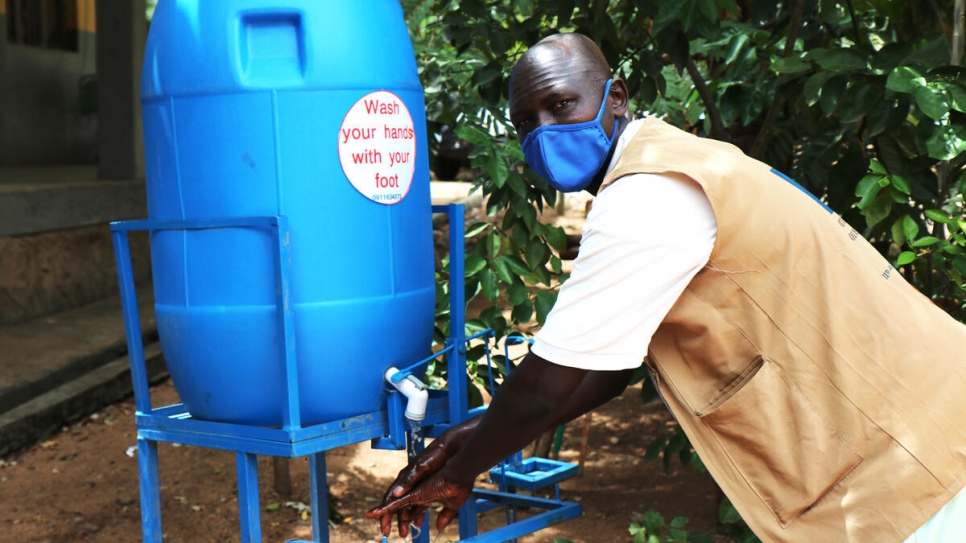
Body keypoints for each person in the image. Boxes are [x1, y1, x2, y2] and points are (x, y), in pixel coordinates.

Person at [366, 33, 966, 542]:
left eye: (561, 104)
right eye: (527, 123)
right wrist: (472, 434)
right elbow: (607, 366)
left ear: (616, 97)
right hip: (925, 417)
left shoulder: (647, 196)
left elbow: (545, 387)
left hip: (915, 460)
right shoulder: (671, 161)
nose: (544, 133)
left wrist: (463, 471)